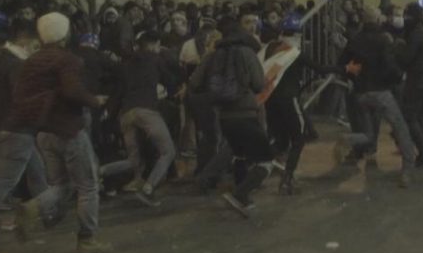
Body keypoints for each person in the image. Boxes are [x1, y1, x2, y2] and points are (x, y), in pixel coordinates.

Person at [10, 12, 111, 253]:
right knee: (88, 186)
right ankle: (87, 239)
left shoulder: (32, 61)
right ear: (65, 34)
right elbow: (72, 92)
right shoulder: (67, 60)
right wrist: (95, 101)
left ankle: (34, 206)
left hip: (43, 131)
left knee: (60, 184)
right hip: (68, 129)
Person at [0, 18, 59, 247]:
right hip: (16, 130)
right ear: (25, 41)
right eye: (35, 46)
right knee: (5, 181)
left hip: (3, 127)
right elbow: (23, 98)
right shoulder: (17, 65)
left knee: (37, 171)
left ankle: (49, 213)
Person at [191, 20, 271, 217]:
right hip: (246, 114)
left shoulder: (212, 55)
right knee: (266, 161)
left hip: (224, 116)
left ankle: (243, 201)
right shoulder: (247, 53)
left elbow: (194, 83)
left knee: (239, 155)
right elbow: (259, 85)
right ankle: (239, 194)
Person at [258, 14, 345, 195]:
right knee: (298, 138)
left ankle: (254, 168)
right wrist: (344, 68)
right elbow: (320, 69)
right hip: (289, 100)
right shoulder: (294, 53)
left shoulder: (270, 49)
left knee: (280, 141)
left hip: (270, 100)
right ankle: (287, 179)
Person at [99, 31, 180, 207]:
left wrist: (109, 113)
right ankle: (148, 189)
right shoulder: (155, 59)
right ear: (154, 44)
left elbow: (118, 93)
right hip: (147, 111)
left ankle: (98, 172)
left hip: (127, 114)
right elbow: (171, 80)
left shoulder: (126, 64)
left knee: (133, 161)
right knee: (168, 152)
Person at [340, 6, 416, 188]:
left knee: (368, 134)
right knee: (400, 128)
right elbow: (389, 66)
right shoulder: (383, 40)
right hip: (381, 92)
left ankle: (346, 139)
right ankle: (407, 171)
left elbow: (343, 64)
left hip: (361, 93)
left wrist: (353, 78)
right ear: (377, 19)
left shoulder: (355, 40)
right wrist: (399, 77)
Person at [396, 3, 423, 167]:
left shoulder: (416, 35)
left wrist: (397, 48)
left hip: (419, 80)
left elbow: (407, 59)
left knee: (411, 116)